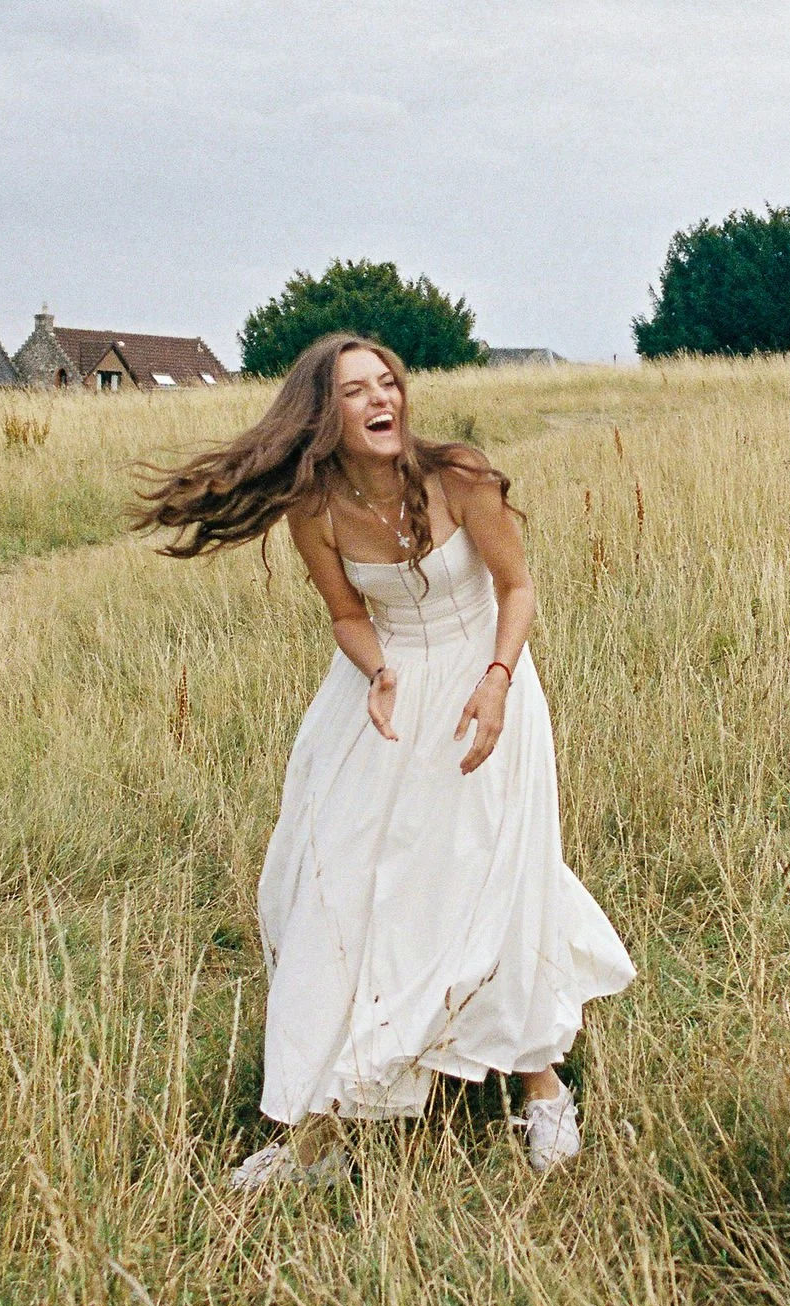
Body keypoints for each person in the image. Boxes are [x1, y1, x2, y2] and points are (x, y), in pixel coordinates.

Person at [133, 333, 635, 1186]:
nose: (382, 399)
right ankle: (315, 1134)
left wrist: (497, 680)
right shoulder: (316, 509)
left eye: (389, 383)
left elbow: (517, 588)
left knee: (491, 876)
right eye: (358, 390)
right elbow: (346, 615)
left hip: (487, 679)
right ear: (323, 417)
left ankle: (541, 1091)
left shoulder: (461, 476)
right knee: (331, 883)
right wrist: (376, 672)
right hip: (389, 691)